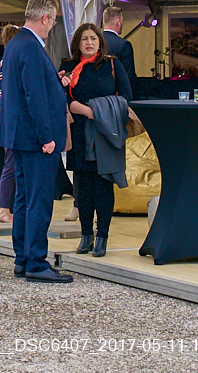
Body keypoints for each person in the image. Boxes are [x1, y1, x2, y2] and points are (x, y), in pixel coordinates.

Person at [0, 0, 72, 284]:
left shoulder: (16, 43)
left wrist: (54, 80)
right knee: (38, 200)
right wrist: (47, 136)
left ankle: (22, 257)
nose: (52, 26)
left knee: (24, 198)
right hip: (35, 137)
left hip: (18, 135)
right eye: (53, 21)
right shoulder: (31, 46)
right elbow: (34, 95)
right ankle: (36, 261)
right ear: (45, 18)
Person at [58, 23, 132, 258]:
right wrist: (73, 105)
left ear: (100, 41)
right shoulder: (68, 67)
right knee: (83, 186)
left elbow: (127, 95)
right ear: (77, 43)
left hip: (105, 133)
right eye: (84, 39)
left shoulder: (112, 64)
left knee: (103, 185)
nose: (89, 43)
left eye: (93, 39)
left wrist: (95, 110)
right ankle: (85, 235)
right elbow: (57, 97)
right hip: (79, 133)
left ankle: (102, 237)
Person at [0, 24, 21, 223]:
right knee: (11, 165)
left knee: (11, 164)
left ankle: (6, 207)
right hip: (11, 124)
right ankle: (3, 208)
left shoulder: (3, 63)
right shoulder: (9, 64)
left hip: (5, 123)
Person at [101, 5, 136, 81]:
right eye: (122, 20)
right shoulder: (124, 45)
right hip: (116, 90)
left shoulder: (95, 42)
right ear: (118, 22)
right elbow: (128, 75)